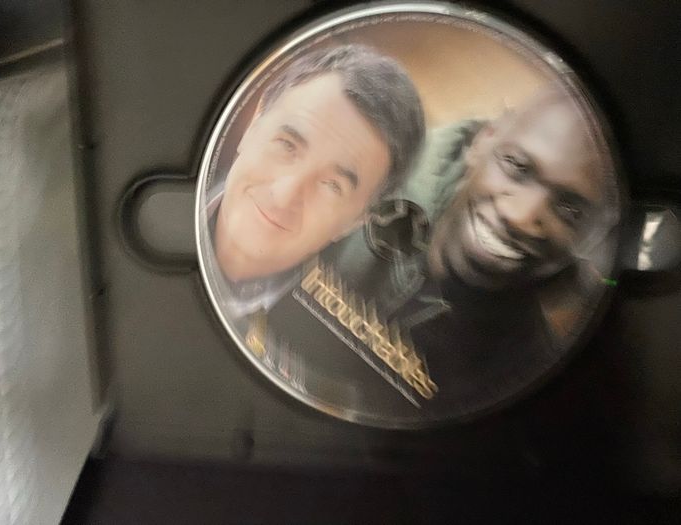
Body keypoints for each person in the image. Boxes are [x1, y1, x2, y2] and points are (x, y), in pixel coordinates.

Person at [334, 86, 620, 418]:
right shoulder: (357, 177)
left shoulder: (529, 370)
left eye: (570, 211)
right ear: (484, 139)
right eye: (517, 166)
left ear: (596, 237)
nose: (520, 216)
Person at [204, 44, 425, 319]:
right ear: (253, 126)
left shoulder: (326, 339)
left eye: (332, 185)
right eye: (287, 145)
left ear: (355, 221)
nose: (284, 195)